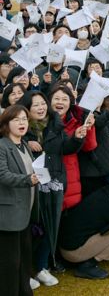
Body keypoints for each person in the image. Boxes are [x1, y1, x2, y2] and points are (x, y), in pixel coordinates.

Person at [0, 105, 39, 295]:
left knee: (24, 258)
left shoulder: (24, 145)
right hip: (8, 215)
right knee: (10, 263)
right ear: (6, 124)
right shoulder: (2, 146)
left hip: (26, 210)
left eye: (24, 119)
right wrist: (28, 180)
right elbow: (3, 175)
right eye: (16, 119)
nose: (22, 123)